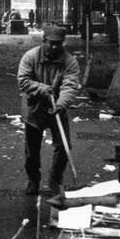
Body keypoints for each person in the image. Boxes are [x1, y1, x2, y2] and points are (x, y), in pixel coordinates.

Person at [17, 25, 81, 195]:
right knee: (32, 151)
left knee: (63, 147)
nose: (54, 47)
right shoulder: (30, 57)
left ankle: (54, 180)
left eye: (58, 43)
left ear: (63, 43)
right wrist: (42, 88)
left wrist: (62, 104)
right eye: (51, 43)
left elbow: (70, 85)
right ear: (43, 41)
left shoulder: (69, 61)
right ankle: (33, 180)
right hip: (34, 108)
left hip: (57, 108)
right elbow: (23, 81)